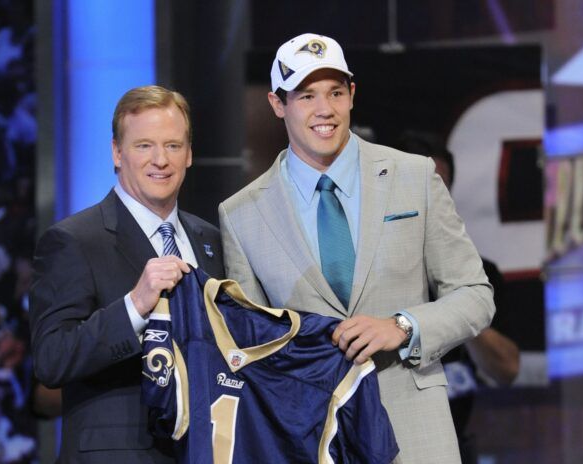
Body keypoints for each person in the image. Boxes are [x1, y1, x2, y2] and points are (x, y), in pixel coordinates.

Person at [219, 33, 495, 463]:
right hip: (311, 439)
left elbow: (475, 296)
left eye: (335, 92)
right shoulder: (242, 213)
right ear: (278, 104)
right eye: (306, 95)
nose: (324, 109)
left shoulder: (414, 176)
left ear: (352, 94)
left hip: (416, 430)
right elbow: (253, 352)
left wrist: (403, 326)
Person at [29, 85, 224, 463]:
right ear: (117, 153)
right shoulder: (73, 240)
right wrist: (134, 306)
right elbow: (52, 359)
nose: (160, 160)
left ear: (189, 155)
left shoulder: (211, 239)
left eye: (172, 145)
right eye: (144, 146)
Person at [394, 130, 520, 462]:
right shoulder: (365, 268)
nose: (429, 195)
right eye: (417, 184)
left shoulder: (479, 272)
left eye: (439, 185)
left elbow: (507, 369)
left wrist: (461, 302)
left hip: (452, 446)